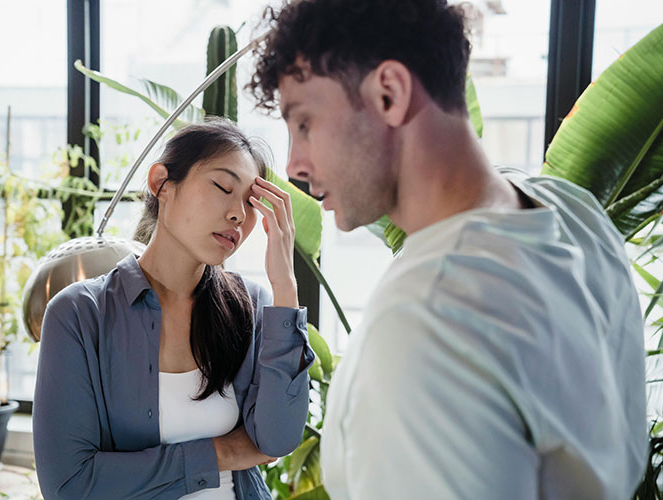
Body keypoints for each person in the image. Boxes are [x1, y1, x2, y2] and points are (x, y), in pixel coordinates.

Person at [247, 0, 647, 498]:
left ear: (389, 94)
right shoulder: (574, 213)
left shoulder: (426, 319)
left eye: (303, 123)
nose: (293, 165)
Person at [33, 119, 314, 500]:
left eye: (250, 203)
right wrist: (223, 452)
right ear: (161, 183)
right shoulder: (80, 314)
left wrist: (286, 285)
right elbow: (70, 485)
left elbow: (277, 439)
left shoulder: (254, 305)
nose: (238, 215)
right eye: (222, 187)